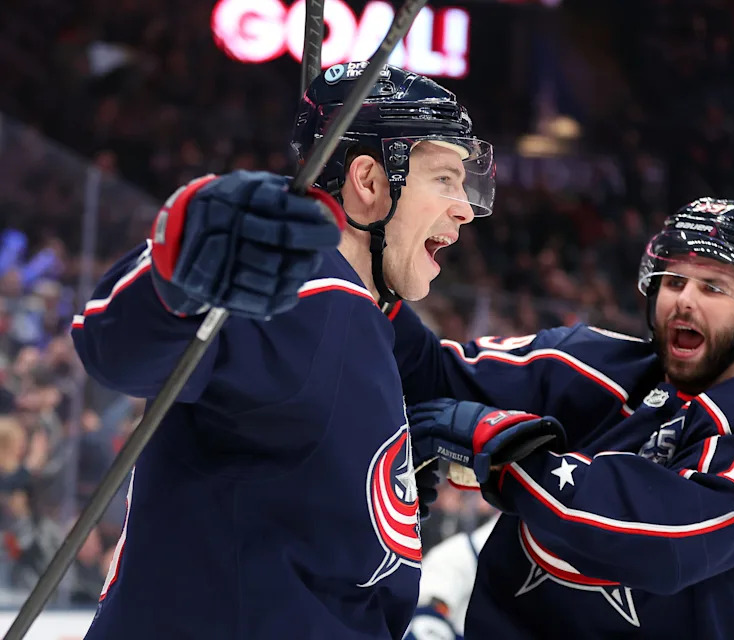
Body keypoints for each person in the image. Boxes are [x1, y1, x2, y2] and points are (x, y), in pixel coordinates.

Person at [70, 64, 497, 640]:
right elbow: (117, 348)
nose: (465, 207)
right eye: (445, 178)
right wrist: (182, 261)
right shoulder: (296, 291)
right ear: (369, 180)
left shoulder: (370, 319)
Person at [392, 198, 734, 639]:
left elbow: (667, 542)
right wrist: (355, 260)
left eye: (713, 287)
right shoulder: (594, 364)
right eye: (674, 281)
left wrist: (507, 452)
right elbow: (428, 372)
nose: (683, 301)